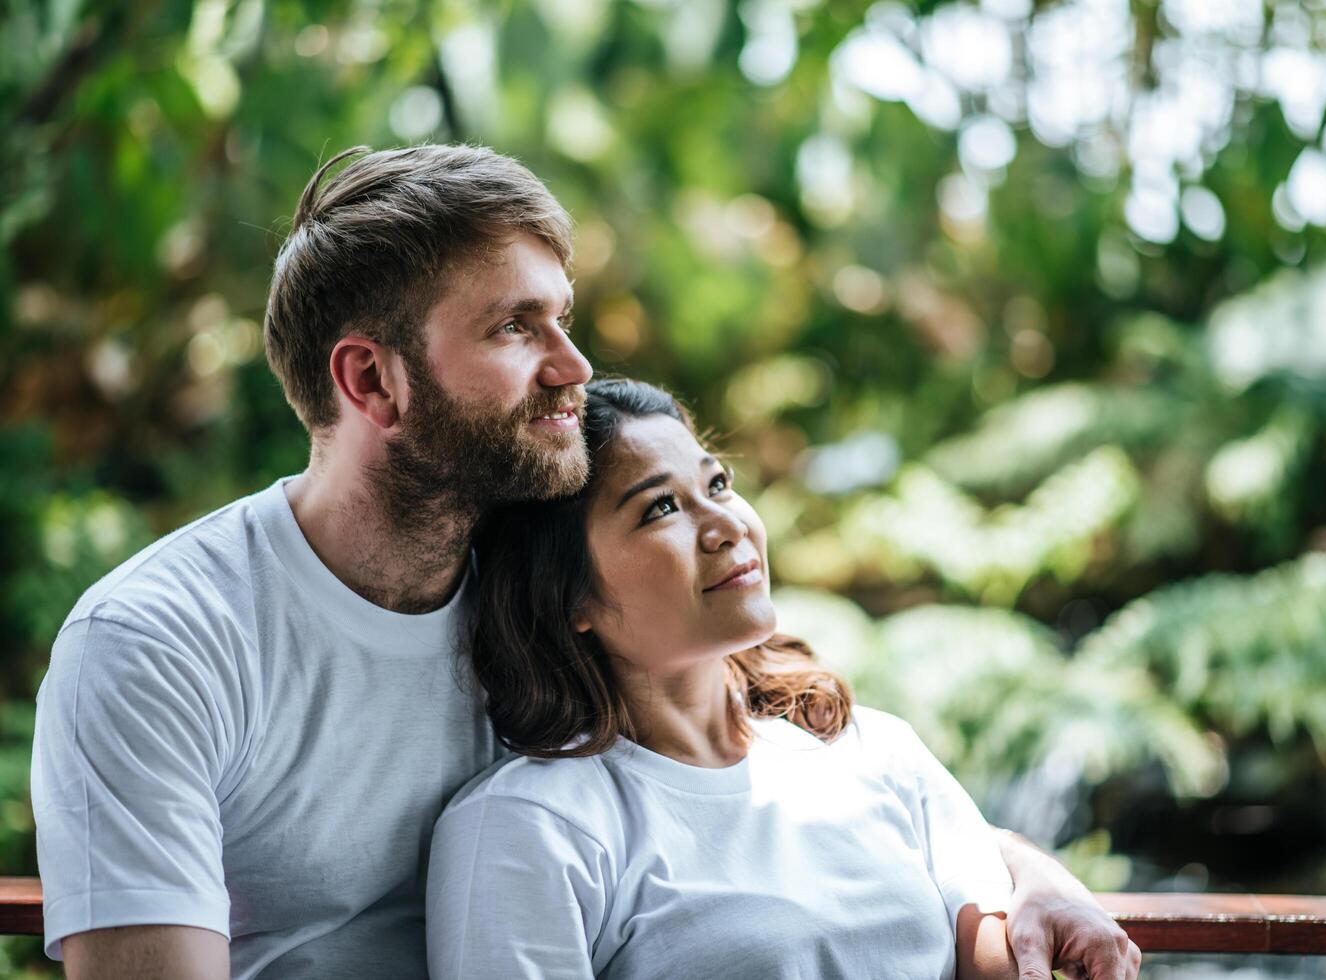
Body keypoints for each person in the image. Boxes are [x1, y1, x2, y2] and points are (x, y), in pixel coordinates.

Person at [30, 144, 1139, 980]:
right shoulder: (157, 644)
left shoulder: (533, 591)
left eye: (563, 317)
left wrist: (1029, 874)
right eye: (518, 328)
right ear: (371, 383)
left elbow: (788, 797)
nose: (576, 364)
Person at [429, 377, 1026, 978]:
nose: (728, 526)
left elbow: (995, 953)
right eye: (660, 507)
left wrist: (1037, 875)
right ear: (568, 595)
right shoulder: (531, 827)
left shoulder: (873, 751)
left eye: (718, 484)